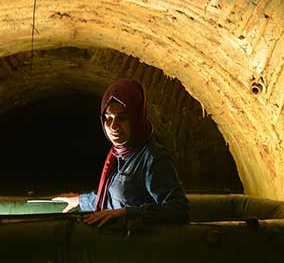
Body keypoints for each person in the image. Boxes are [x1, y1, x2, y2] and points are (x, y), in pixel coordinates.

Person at [53, 78, 190, 227]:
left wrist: (128, 213)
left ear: (137, 118)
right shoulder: (118, 153)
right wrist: (81, 200)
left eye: (122, 118)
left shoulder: (152, 157)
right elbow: (112, 197)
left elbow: (179, 210)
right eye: (108, 118)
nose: (113, 126)